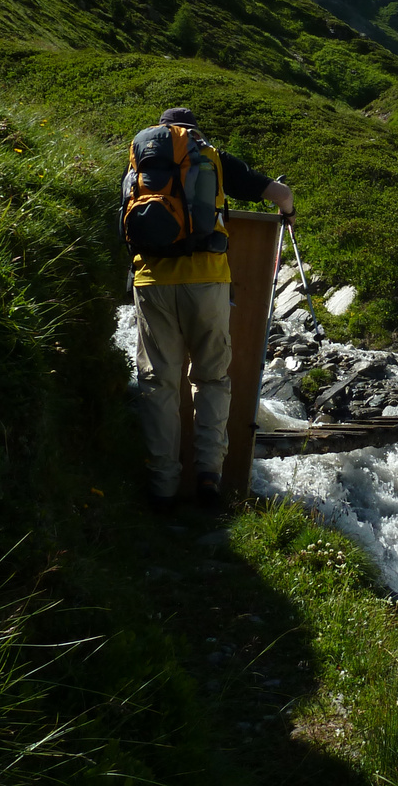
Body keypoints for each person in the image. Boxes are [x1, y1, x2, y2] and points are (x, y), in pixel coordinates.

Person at [130, 107, 293, 512]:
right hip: (207, 281)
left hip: (151, 281)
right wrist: (287, 212)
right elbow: (279, 194)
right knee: (211, 377)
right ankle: (208, 475)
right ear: (193, 130)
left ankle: (162, 486)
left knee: (158, 384)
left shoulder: (141, 159)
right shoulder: (212, 156)